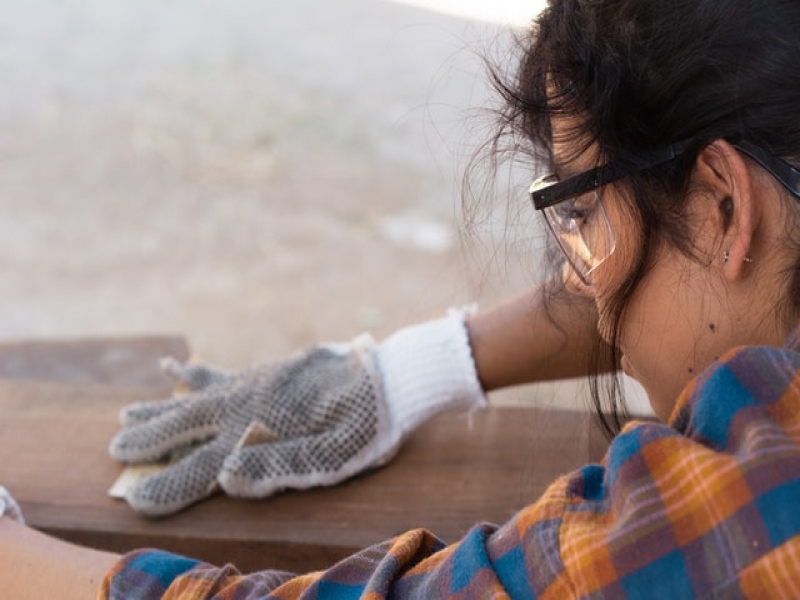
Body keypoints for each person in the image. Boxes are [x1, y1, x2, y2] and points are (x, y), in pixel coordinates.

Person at [4, 0, 800, 596]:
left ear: (724, 205)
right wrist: (414, 373)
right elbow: (695, 268)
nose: (588, 291)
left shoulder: (761, 498)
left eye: (583, 214)